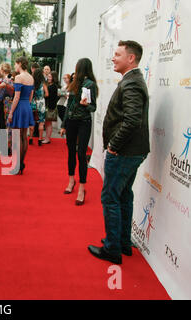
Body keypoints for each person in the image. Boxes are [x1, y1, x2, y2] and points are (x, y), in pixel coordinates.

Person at [88, 40, 149, 265]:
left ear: (130, 58)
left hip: (124, 152)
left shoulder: (132, 83)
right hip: (132, 151)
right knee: (124, 195)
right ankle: (123, 243)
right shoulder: (133, 80)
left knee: (111, 197)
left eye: (117, 54)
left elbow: (132, 120)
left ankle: (113, 248)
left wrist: (113, 145)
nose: (113, 58)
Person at [59, 58, 98, 206]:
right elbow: (68, 105)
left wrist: (86, 105)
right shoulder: (74, 83)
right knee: (70, 152)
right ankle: (71, 180)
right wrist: (63, 124)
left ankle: (82, 188)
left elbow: (93, 107)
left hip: (84, 122)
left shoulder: (90, 85)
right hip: (71, 122)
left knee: (81, 154)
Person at [7, 56, 35, 175]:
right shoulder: (31, 77)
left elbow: (16, 97)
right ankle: (21, 164)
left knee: (16, 138)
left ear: (19, 64)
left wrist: (11, 112)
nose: (14, 66)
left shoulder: (19, 77)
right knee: (24, 136)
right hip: (27, 107)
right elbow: (30, 96)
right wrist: (26, 107)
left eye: (15, 64)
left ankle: (17, 165)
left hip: (19, 107)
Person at [29, 69, 48, 146]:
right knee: (41, 122)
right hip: (41, 104)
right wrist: (42, 96)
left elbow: (30, 94)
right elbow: (47, 94)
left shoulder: (32, 84)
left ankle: (30, 138)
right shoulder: (43, 83)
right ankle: (40, 139)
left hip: (33, 103)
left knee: (32, 122)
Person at [42, 71, 60, 144]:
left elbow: (47, 96)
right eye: (48, 76)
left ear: (53, 78)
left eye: (50, 77)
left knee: (48, 123)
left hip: (50, 107)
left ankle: (47, 138)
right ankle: (47, 137)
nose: (48, 78)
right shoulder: (51, 85)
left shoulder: (53, 86)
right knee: (47, 123)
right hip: (49, 106)